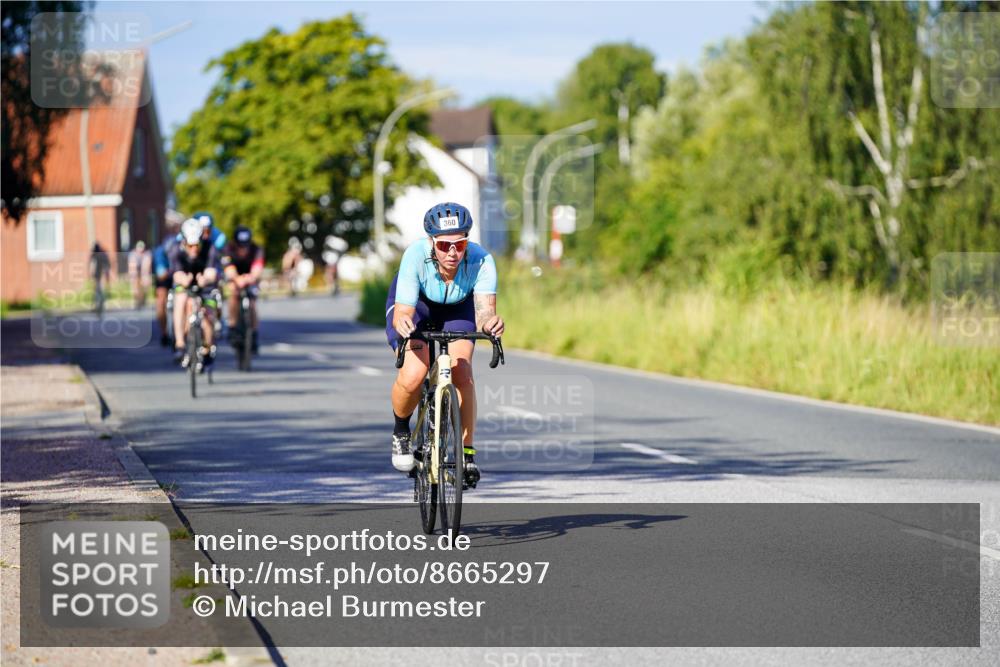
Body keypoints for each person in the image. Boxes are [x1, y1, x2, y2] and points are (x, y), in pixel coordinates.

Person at [386, 202, 504, 488]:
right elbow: (403, 310)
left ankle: (467, 452)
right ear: (431, 242)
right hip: (418, 306)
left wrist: (490, 324)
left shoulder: (482, 260)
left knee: (462, 372)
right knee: (415, 373)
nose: (452, 252)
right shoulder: (414, 256)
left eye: (460, 244)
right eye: (443, 245)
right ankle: (401, 431)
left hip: (457, 309)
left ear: (467, 241)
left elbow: (485, 311)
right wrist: (404, 324)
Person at [170, 218, 220, 371]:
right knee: (180, 298)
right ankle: (179, 343)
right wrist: (185, 280)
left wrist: (205, 279)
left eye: (196, 245)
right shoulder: (176, 249)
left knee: (208, 316)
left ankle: (207, 347)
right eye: (190, 245)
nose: (193, 249)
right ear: (184, 241)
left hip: (205, 284)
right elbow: (176, 274)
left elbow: (212, 272)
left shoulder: (210, 247)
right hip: (186, 283)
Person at [222, 225, 265, 354]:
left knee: (252, 301)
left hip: (250, 275)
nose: (243, 249)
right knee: (234, 293)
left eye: (245, 246)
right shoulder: (228, 249)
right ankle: (233, 326)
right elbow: (229, 270)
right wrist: (237, 279)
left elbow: (257, 269)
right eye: (240, 246)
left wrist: (250, 278)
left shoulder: (256, 249)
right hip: (235, 275)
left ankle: (254, 333)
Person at [154, 216, 182, 346]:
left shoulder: (180, 248)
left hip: (177, 273)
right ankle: (164, 332)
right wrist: (167, 272)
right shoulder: (160, 252)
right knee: (161, 300)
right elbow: (160, 274)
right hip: (166, 276)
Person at [127, 241, 152, 309]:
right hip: (136, 272)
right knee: (135, 285)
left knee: (145, 282)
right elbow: (131, 266)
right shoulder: (133, 254)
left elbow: (147, 266)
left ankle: (143, 299)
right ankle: (136, 300)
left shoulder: (147, 254)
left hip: (143, 272)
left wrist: (145, 276)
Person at [89, 241, 112, 308]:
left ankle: (99, 304)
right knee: (98, 289)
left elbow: (106, 265)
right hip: (98, 275)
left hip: (100, 274)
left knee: (99, 289)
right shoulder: (96, 255)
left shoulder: (100, 255)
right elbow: (92, 266)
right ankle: (98, 304)